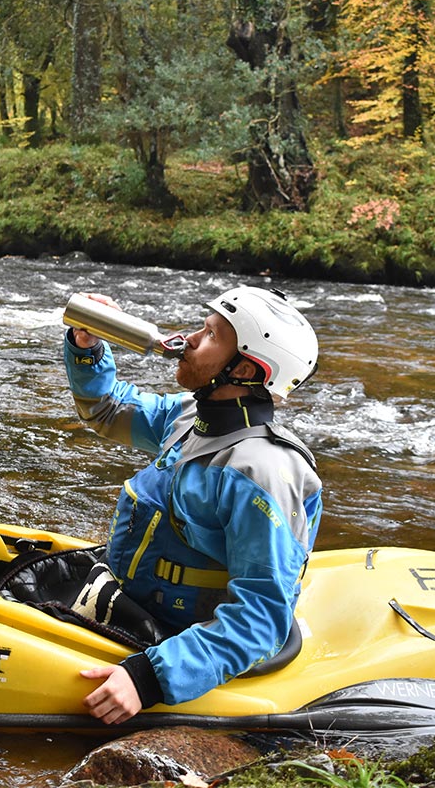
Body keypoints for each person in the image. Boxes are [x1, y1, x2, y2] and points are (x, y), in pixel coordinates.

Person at [62, 286, 324, 724]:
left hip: (181, 635)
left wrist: (148, 679)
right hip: (138, 602)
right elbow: (106, 410)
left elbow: (259, 618)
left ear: (244, 368)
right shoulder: (190, 416)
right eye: (202, 327)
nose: (189, 339)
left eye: (210, 335)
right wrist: (87, 348)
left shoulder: (261, 473)